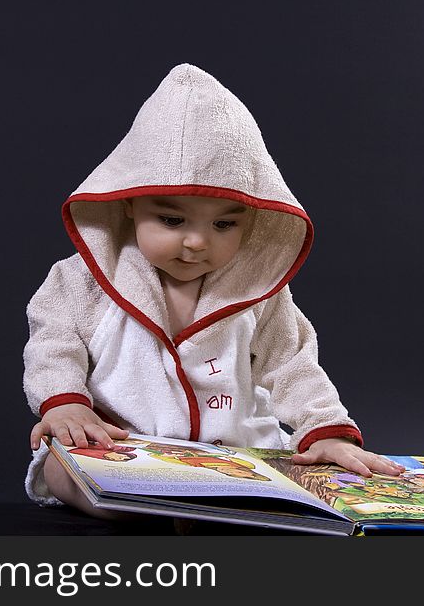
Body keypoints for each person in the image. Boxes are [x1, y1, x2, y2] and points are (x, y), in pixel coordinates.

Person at [23, 63, 404, 518]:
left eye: (224, 224)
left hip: (238, 454)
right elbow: (53, 343)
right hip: (124, 447)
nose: (197, 242)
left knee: (302, 481)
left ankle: (213, 506)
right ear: (127, 202)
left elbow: (293, 364)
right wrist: (66, 404)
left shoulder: (259, 292)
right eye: (171, 220)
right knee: (67, 473)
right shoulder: (80, 279)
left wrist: (324, 430)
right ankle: (158, 506)